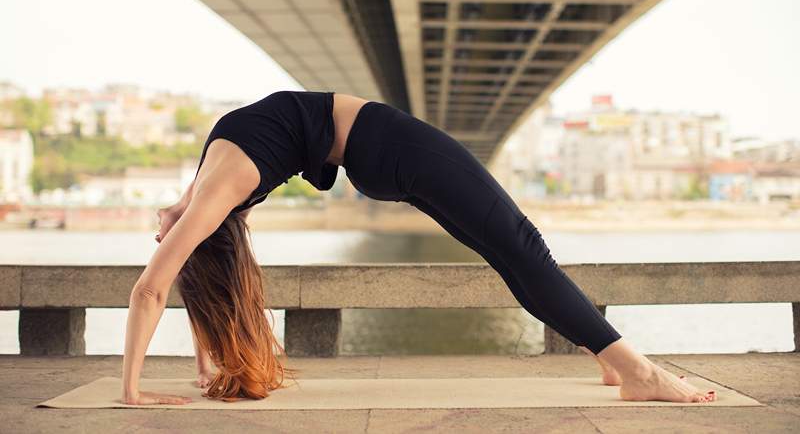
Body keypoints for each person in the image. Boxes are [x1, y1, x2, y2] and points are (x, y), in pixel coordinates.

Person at [121, 90, 716, 405]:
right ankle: (634, 369)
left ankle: (603, 356)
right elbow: (151, 287)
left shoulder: (202, 198)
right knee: (522, 247)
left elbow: (202, 278)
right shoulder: (214, 186)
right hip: (388, 144)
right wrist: (131, 392)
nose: (169, 230)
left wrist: (208, 366)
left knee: (508, 252)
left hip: (376, 157)